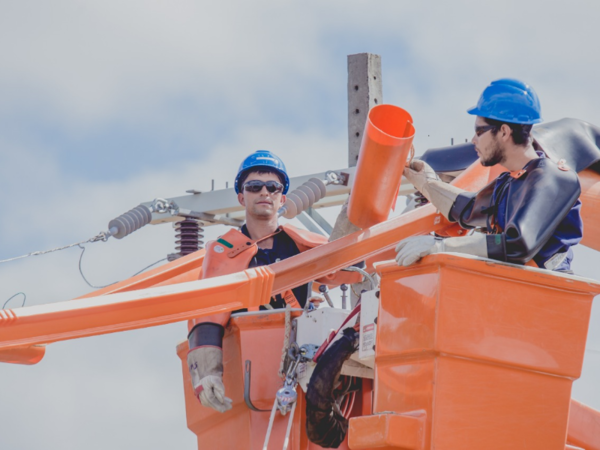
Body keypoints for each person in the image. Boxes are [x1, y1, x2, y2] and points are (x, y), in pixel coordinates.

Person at [186, 150, 358, 414]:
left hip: (298, 361)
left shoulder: (302, 246)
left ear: (282, 198)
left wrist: (357, 211)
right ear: (242, 197)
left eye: (272, 187)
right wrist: (206, 374)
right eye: (255, 187)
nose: (264, 192)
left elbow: (346, 266)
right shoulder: (224, 252)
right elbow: (207, 314)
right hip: (247, 362)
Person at [396, 78, 583, 271]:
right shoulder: (510, 182)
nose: (473, 140)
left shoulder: (553, 178)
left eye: (479, 131)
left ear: (504, 132)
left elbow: (519, 244)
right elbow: (469, 210)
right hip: (516, 292)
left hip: (546, 294)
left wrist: (440, 246)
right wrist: (427, 184)